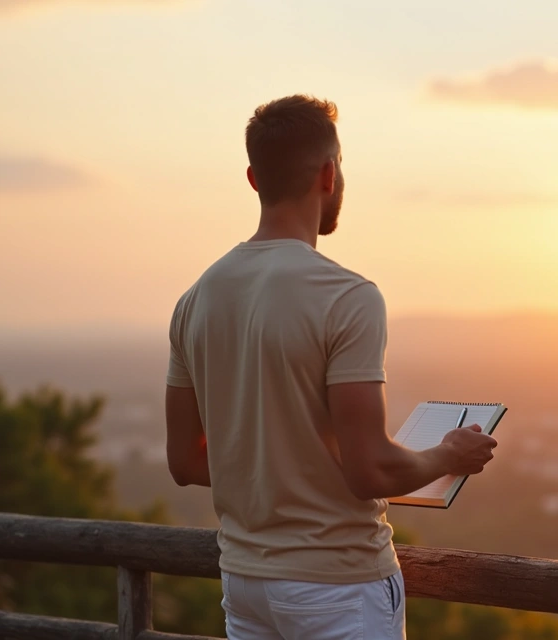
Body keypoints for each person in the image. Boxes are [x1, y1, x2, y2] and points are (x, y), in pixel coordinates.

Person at [164, 94, 497, 640]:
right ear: (327, 173)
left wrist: (276, 472)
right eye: (340, 163)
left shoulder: (196, 299)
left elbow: (184, 460)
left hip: (245, 584)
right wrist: (449, 453)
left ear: (253, 178)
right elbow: (370, 472)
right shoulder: (347, 296)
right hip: (337, 587)